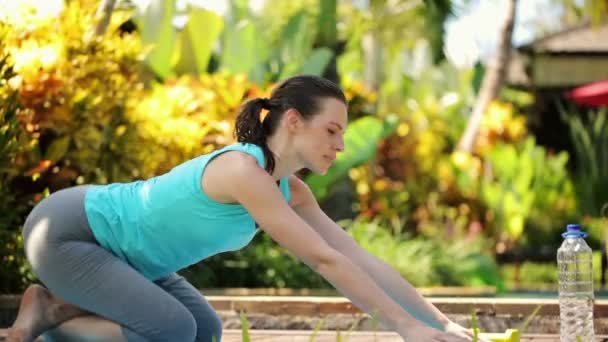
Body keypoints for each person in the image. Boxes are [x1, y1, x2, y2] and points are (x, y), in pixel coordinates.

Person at [7, 75, 487, 342]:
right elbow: (323, 261)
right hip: (70, 233)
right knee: (173, 331)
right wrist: (403, 329)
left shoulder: (291, 191)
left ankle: (58, 308)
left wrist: (437, 323)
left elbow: (356, 256)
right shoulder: (243, 172)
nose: (341, 145)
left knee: (205, 333)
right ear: (294, 122)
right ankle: (51, 321)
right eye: (332, 130)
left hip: (129, 260)